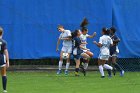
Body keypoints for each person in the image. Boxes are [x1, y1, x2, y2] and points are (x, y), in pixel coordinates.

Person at [0, 27, 9, 92]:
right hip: (1, 59)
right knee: (3, 74)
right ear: (2, 33)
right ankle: (4, 90)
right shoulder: (4, 42)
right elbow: (6, 52)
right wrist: (7, 61)